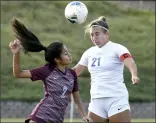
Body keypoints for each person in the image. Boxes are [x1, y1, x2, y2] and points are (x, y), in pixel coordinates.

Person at [9, 18, 92, 123]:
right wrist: (16, 54)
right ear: (57, 59)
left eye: (68, 52)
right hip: (40, 117)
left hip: (57, 119)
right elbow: (18, 74)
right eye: (65, 54)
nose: (69, 55)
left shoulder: (72, 74)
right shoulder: (46, 70)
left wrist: (84, 115)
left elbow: (77, 99)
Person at [72, 16, 140, 123]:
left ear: (106, 34)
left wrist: (134, 74)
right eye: (92, 35)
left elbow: (130, 62)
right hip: (96, 101)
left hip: (116, 98)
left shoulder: (117, 48)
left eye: (97, 34)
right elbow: (76, 71)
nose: (94, 37)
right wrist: (58, 73)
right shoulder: (89, 52)